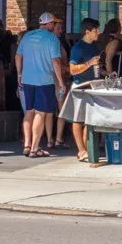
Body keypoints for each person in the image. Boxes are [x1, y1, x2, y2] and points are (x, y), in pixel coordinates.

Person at [16, 13, 66, 158]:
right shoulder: (52, 39)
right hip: (44, 81)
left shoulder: (27, 36)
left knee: (29, 111)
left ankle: (27, 145)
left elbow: (18, 56)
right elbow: (55, 61)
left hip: (27, 79)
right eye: (54, 23)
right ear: (49, 24)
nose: (55, 26)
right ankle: (35, 148)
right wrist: (61, 81)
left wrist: (19, 74)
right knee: (40, 113)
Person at [66, 18, 103, 162]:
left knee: (90, 119)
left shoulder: (94, 46)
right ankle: (81, 150)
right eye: (95, 30)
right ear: (87, 32)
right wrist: (89, 63)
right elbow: (72, 70)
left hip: (93, 86)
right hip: (80, 87)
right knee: (78, 119)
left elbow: (95, 66)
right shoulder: (78, 48)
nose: (98, 32)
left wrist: (106, 72)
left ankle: (87, 150)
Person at [50, 17, 72, 149]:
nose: (60, 30)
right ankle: (58, 138)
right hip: (58, 79)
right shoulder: (54, 43)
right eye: (58, 28)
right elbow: (56, 63)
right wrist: (68, 69)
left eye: (61, 28)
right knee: (61, 109)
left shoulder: (56, 42)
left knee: (51, 110)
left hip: (56, 78)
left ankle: (51, 139)